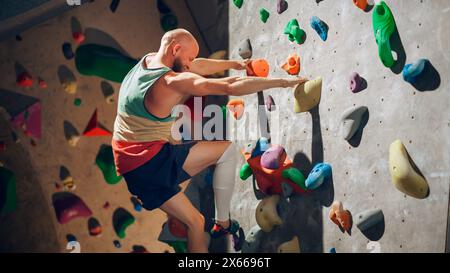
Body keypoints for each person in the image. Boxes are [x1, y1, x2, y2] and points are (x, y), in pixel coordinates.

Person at [112, 28, 307, 253]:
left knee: (195, 222)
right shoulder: (170, 82)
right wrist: (283, 83)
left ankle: (221, 225)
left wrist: (235, 64)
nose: (190, 63)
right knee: (226, 151)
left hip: (129, 162)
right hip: (150, 162)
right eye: (188, 58)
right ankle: (222, 221)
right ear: (175, 49)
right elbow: (229, 86)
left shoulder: (149, 61)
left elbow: (199, 66)